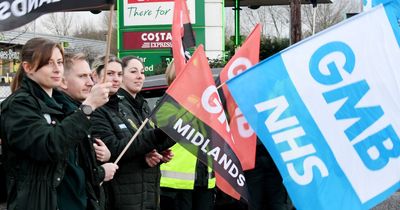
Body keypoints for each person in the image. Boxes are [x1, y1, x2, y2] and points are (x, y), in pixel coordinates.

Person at [0, 37, 114, 210]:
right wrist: (88, 107)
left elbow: (75, 163)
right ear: (28, 67)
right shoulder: (19, 105)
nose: (57, 69)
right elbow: (49, 146)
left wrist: (99, 156)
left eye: (59, 62)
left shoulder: (63, 105)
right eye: (48, 63)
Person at [90, 55, 174, 210]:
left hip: (147, 194)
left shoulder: (132, 106)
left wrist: (159, 149)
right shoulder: (95, 110)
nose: (116, 79)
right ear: (95, 75)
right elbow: (114, 150)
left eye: (119, 74)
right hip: (121, 198)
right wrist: (157, 136)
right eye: (110, 73)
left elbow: (144, 143)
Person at [58, 52, 120, 209]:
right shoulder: (63, 113)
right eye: (82, 76)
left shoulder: (76, 110)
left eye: (89, 76)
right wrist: (100, 172)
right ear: (63, 81)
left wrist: (102, 155)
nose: (90, 83)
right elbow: (69, 171)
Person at [159, 60, 216, 210]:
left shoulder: (204, 104)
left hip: (204, 183)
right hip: (175, 187)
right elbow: (176, 129)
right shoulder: (165, 106)